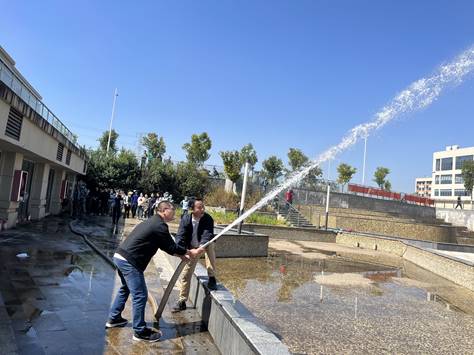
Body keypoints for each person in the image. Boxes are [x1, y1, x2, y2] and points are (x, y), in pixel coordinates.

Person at [106, 201, 201, 342]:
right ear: (164, 210)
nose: (174, 212)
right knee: (140, 295)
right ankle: (139, 331)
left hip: (121, 257)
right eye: (172, 209)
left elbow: (166, 246)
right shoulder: (159, 225)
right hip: (129, 262)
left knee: (125, 288)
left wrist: (181, 254)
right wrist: (189, 252)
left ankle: (114, 318)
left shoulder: (154, 222)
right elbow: (171, 246)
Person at [173, 198, 217, 312]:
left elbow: (207, 234)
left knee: (211, 246)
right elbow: (180, 236)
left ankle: (212, 277)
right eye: (199, 207)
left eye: (203, 206)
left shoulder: (207, 218)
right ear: (192, 209)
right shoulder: (186, 219)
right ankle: (182, 301)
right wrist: (183, 251)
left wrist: (201, 247)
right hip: (192, 248)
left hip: (204, 244)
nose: (203, 209)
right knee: (186, 274)